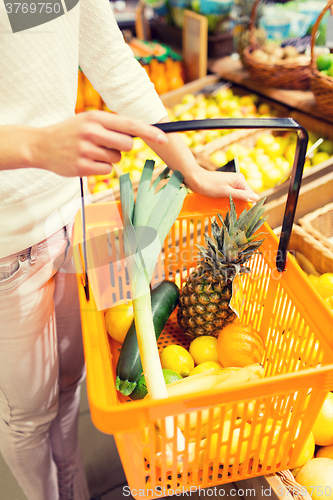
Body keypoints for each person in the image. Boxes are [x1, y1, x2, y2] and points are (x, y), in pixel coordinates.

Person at [0, 0, 258, 499]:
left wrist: (187, 165)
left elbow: (110, 57)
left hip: (71, 217)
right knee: (29, 414)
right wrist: (33, 145)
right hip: (6, 247)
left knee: (72, 381)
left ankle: (71, 487)